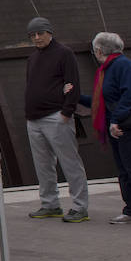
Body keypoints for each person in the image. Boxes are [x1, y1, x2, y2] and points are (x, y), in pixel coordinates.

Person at [84, 31, 131, 229]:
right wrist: (74, 96)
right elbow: (102, 100)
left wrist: (115, 120)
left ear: (99, 50)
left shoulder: (123, 66)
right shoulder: (109, 69)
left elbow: (130, 96)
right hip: (120, 124)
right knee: (124, 169)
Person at [23, 16, 89, 223]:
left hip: (56, 116)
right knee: (43, 165)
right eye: (32, 35)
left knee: (70, 162)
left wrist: (67, 112)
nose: (36, 38)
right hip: (33, 119)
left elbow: (73, 83)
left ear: (49, 32)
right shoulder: (32, 58)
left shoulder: (64, 54)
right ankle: (50, 204)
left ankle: (80, 207)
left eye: (40, 33)